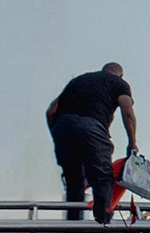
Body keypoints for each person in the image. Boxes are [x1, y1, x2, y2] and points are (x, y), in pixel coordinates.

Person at [45, 62, 138, 224]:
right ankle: (102, 223)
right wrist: (132, 142)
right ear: (120, 75)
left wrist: (58, 135)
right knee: (102, 176)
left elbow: (51, 111)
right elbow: (127, 110)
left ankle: (73, 228)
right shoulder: (119, 83)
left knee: (74, 181)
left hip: (63, 127)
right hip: (92, 127)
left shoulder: (79, 81)